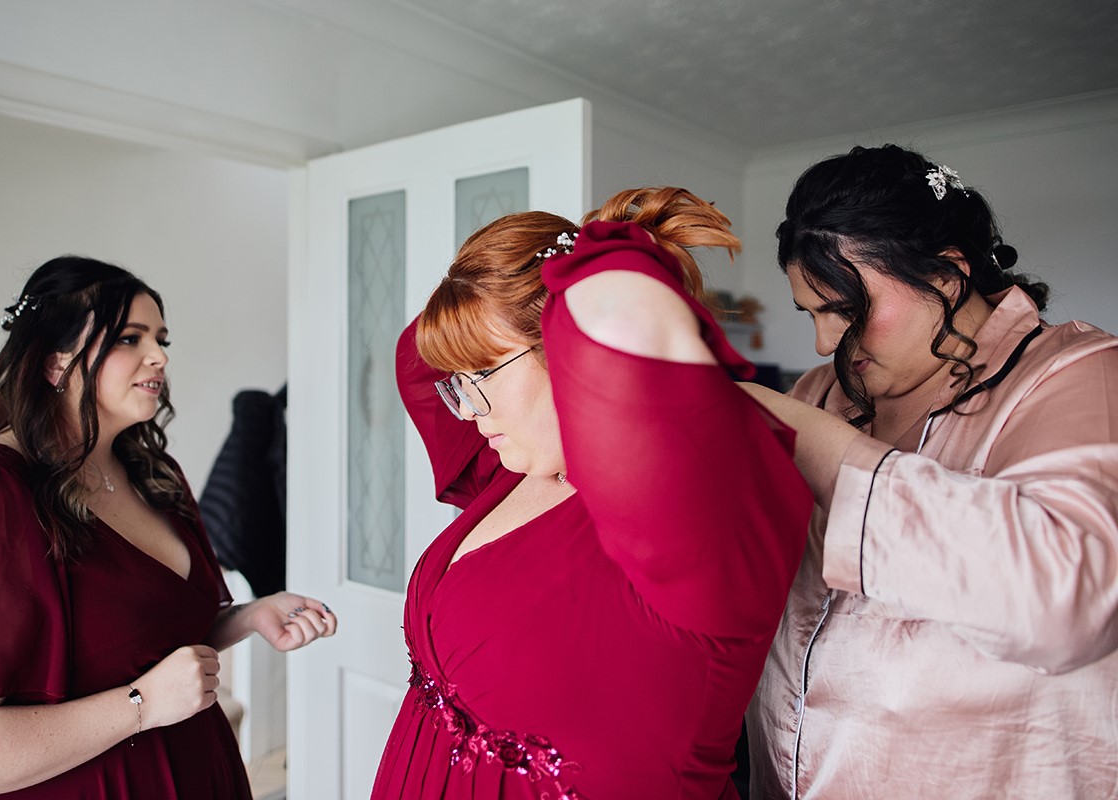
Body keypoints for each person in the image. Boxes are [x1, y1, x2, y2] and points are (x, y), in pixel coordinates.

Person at [372, 188, 813, 799]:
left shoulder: (688, 521)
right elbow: (416, 357)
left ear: (566, 347)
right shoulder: (506, 470)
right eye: (461, 382)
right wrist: (515, 280)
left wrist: (577, 284)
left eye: (483, 375)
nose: (468, 410)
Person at [740, 145, 1118, 798]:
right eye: (812, 313)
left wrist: (806, 439)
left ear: (945, 277)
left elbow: (1066, 607)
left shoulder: (1080, 374)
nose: (824, 344)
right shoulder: (818, 392)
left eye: (844, 310)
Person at [0, 256, 338, 799]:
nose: (159, 356)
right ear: (55, 363)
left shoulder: (153, 476)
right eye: (129, 338)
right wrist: (142, 705)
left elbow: (142, 640)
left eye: (161, 339)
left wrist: (249, 616)